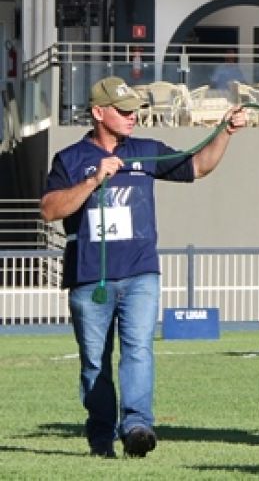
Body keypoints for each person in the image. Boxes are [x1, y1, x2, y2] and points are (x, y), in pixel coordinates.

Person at [40, 76, 247, 458]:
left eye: (135, 109)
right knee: (94, 364)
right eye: (124, 111)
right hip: (90, 279)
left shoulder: (147, 150)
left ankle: (136, 426)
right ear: (99, 113)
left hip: (140, 274)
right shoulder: (69, 160)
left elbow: (198, 166)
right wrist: (93, 181)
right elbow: (50, 210)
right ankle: (101, 436)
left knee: (138, 350)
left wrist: (225, 133)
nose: (133, 116)